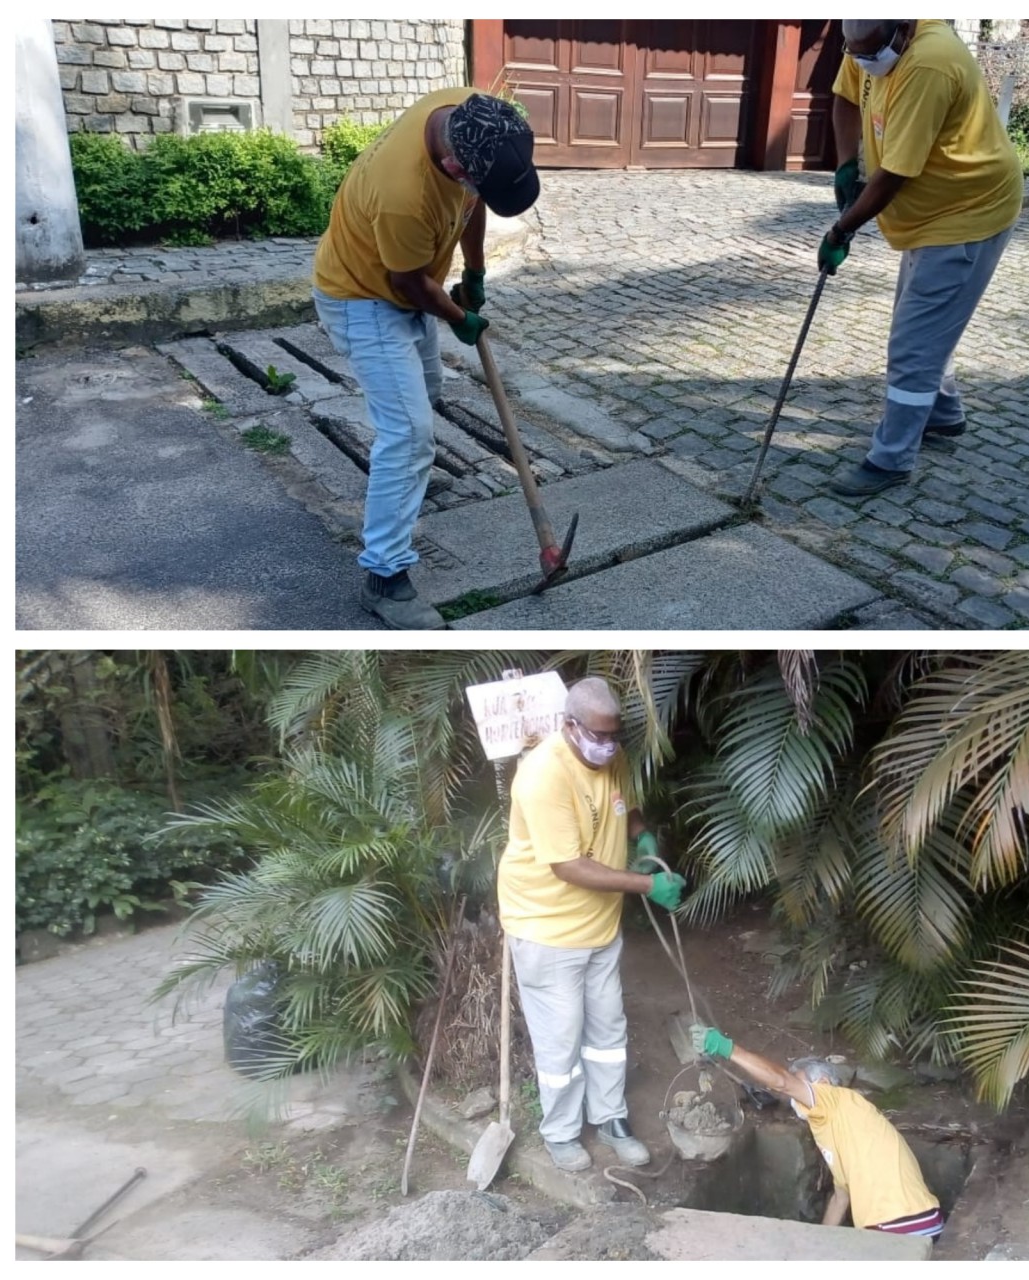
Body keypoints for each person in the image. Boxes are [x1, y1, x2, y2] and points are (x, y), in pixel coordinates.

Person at [312, 89, 541, 628]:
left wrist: (475, 272)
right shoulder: (402, 193)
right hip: (362, 297)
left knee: (426, 397)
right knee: (411, 434)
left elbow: (472, 206)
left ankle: (404, 480)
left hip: (407, 285)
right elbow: (408, 282)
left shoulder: (469, 114)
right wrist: (459, 319)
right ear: (453, 164)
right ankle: (385, 579)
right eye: (469, 180)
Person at [818, 19, 1024, 498]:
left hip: (968, 212)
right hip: (931, 213)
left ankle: (891, 460)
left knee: (912, 343)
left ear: (903, 30)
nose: (865, 62)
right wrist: (846, 161)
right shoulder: (868, 41)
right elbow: (846, 97)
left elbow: (893, 175)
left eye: (872, 54)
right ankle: (944, 414)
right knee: (927, 322)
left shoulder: (930, 64)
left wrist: (842, 229)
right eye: (856, 54)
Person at [497, 677, 687, 1172]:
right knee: (561, 1037)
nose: (607, 746)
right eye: (598, 736)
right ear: (569, 725)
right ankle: (561, 1134)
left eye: (614, 737)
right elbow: (569, 867)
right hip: (547, 928)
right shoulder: (544, 776)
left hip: (600, 927)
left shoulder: (611, 756)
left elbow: (625, 805)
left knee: (607, 1030)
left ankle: (611, 1117)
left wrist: (642, 838)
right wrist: (648, 887)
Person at [691, 1023, 944, 1238]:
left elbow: (780, 1081)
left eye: (798, 1083)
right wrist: (820, 1245)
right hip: (922, 1224)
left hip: (897, 1227)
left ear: (822, 1083)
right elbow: (840, 1199)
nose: (790, 1098)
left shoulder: (836, 1099)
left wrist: (726, 1048)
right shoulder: (844, 1127)